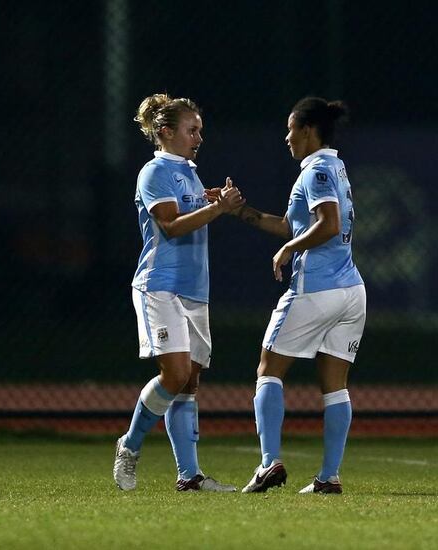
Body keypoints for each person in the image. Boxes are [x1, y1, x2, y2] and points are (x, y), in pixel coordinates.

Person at [232, 97, 366, 494]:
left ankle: (269, 462)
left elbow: (327, 224)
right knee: (335, 385)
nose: (287, 137)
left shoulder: (317, 172)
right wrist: (239, 211)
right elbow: (293, 225)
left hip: (316, 289)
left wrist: (290, 250)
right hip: (351, 291)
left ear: (308, 130)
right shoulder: (334, 167)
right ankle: (328, 478)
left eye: (291, 129)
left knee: (268, 369)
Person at [113, 93, 244, 492]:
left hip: (194, 289)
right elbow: (170, 226)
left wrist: (212, 201)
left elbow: (189, 213)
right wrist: (217, 210)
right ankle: (129, 446)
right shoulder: (154, 173)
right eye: (192, 130)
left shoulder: (188, 170)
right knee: (175, 373)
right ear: (166, 132)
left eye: (200, 130)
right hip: (160, 285)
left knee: (190, 383)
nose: (199, 137)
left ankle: (190, 477)